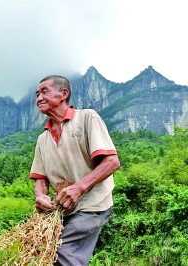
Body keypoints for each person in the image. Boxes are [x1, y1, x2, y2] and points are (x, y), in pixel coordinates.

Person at [30, 75, 120, 266]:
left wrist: (79, 188)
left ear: (64, 94)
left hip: (93, 204)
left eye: (44, 91)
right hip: (63, 208)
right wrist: (41, 197)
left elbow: (111, 162)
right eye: (37, 94)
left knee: (61, 252)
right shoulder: (42, 139)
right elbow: (40, 179)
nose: (39, 98)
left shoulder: (87, 118)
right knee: (44, 251)